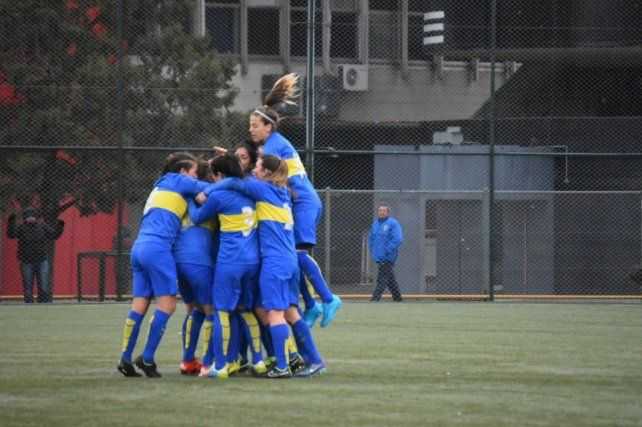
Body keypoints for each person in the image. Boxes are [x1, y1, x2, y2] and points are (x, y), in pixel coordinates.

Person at [201, 156, 326, 378]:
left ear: (267, 173)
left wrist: (207, 191)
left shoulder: (263, 190)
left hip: (274, 262)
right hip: (290, 259)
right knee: (290, 312)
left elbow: (232, 181)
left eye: (258, 167)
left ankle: (281, 366)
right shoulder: (283, 192)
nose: (254, 170)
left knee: (274, 314)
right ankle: (312, 360)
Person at [249, 73, 342, 329]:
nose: (251, 128)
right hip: (296, 203)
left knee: (297, 254)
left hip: (303, 203)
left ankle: (328, 298)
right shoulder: (269, 146)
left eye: (255, 125)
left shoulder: (271, 148)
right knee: (290, 257)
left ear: (268, 127)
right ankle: (310, 306)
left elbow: (258, 181)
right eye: (250, 124)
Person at [117, 152, 208, 378]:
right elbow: (207, 193)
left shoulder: (160, 186)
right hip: (158, 249)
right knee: (167, 305)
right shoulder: (178, 181)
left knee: (139, 304)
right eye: (194, 173)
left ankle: (125, 358)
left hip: (139, 248)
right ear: (182, 172)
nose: (195, 178)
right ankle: (147, 358)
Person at [188, 154, 266, 379]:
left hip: (230, 261)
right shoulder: (252, 193)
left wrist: (192, 198)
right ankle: (258, 360)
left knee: (222, 311)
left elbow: (197, 217)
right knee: (244, 309)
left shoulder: (219, 195)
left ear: (219, 175)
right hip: (253, 261)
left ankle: (220, 366)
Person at [174, 159, 216, 376]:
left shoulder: (183, 194)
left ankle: (187, 360)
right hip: (199, 261)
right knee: (211, 311)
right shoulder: (214, 195)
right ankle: (208, 364)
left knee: (194, 309)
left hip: (178, 261)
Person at [6, 207, 64, 303]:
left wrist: (60, 225)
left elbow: (54, 235)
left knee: (43, 287)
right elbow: (11, 235)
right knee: (28, 287)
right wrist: (11, 221)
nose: (31, 218)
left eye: (33, 215)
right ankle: (29, 305)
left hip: (42, 261)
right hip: (26, 261)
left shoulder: (42, 226)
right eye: (28, 216)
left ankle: (43, 305)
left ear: (36, 217)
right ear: (25, 217)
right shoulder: (21, 227)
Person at [368, 205, 403, 302]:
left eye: (384, 211)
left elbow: (398, 239)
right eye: (380, 210)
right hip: (379, 256)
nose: (381, 212)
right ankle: (398, 298)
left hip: (388, 256)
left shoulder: (393, 223)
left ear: (388, 212)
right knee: (390, 279)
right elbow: (371, 238)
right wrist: (372, 250)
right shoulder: (375, 224)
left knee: (382, 279)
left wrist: (387, 250)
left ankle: (375, 299)